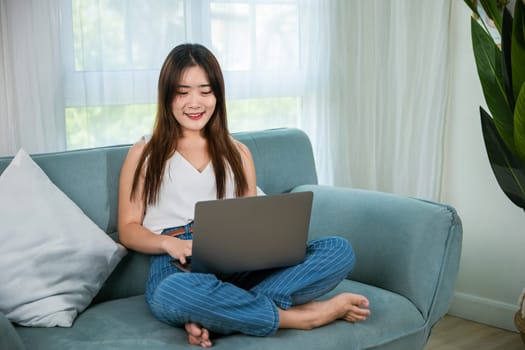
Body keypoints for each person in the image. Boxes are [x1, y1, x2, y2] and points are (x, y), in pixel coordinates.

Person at [118, 43, 371, 348]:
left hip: (236, 263)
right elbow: (129, 229)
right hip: (176, 267)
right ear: (167, 96)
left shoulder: (238, 153)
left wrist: (265, 245)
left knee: (338, 250)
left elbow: (249, 222)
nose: (194, 102)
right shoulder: (145, 151)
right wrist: (169, 243)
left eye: (205, 90)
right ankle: (303, 317)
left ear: (218, 95)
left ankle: (220, 314)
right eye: (182, 92)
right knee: (174, 294)